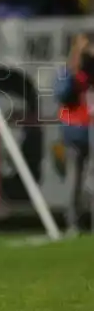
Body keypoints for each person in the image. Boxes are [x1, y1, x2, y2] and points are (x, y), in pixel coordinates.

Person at [56, 34, 94, 236]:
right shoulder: (67, 72)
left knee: (90, 178)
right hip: (74, 130)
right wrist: (73, 71)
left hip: (91, 126)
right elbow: (61, 95)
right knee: (74, 179)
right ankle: (72, 223)